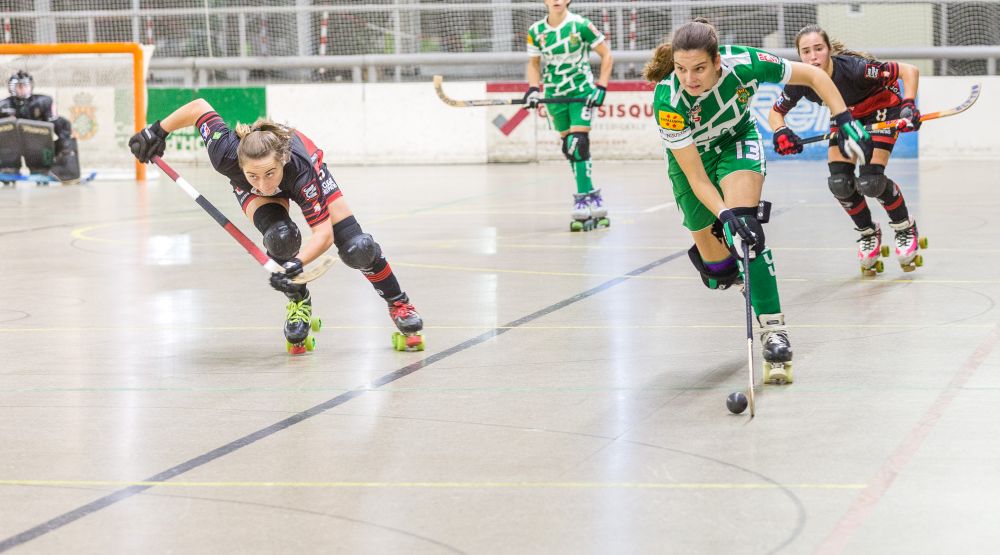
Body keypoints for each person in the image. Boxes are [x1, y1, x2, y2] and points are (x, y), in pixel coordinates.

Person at [646, 19, 873, 384]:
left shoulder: (746, 63)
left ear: (717, 60)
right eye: (682, 69)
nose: (690, 78)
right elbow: (696, 177)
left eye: (699, 68)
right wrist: (722, 214)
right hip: (693, 166)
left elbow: (814, 77)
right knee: (718, 270)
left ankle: (774, 331)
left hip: (737, 143)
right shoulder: (668, 101)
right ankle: (737, 275)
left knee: (747, 233)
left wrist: (844, 118)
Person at [128, 99, 424, 353]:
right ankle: (299, 302)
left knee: (357, 248)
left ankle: (399, 302)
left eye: (269, 174)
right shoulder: (225, 155)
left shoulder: (299, 169)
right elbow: (199, 108)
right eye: (253, 175)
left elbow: (323, 235)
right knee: (280, 239)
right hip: (256, 185)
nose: (264, 184)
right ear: (240, 165)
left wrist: (295, 265)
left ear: (281, 161)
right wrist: (156, 130)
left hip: (303, 172)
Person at [768, 25, 925, 274]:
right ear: (799, 55)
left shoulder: (855, 68)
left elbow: (909, 70)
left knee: (871, 181)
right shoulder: (800, 79)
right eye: (806, 51)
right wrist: (780, 132)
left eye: (818, 49)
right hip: (846, 115)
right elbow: (776, 113)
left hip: (882, 108)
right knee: (839, 182)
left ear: (829, 50)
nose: (813, 57)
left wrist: (909, 105)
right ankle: (867, 233)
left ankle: (904, 226)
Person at [524, 0, 613, 231]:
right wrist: (534, 89)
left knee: (578, 144)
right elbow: (534, 64)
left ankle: (582, 199)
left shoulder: (580, 25)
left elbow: (606, 55)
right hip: (554, 95)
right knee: (569, 148)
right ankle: (594, 196)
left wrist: (601, 87)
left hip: (581, 92)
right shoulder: (536, 31)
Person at [0, 70, 80, 182]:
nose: (22, 89)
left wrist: (64, 144)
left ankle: (45, 169)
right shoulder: (3, 105)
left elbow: (58, 124)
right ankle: (8, 168)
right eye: (18, 86)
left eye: (25, 86)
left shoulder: (43, 102)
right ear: (12, 88)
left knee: (62, 126)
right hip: (12, 146)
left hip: (36, 145)